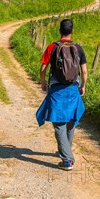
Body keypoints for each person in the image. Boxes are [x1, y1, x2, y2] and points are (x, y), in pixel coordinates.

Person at [36, 19, 88, 171]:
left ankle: (67, 159)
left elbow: (43, 68)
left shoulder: (52, 47)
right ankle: (65, 150)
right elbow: (84, 71)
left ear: (60, 31)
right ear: (72, 31)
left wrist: (43, 81)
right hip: (73, 88)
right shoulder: (78, 48)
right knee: (71, 121)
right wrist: (83, 85)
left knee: (59, 123)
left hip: (57, 89)